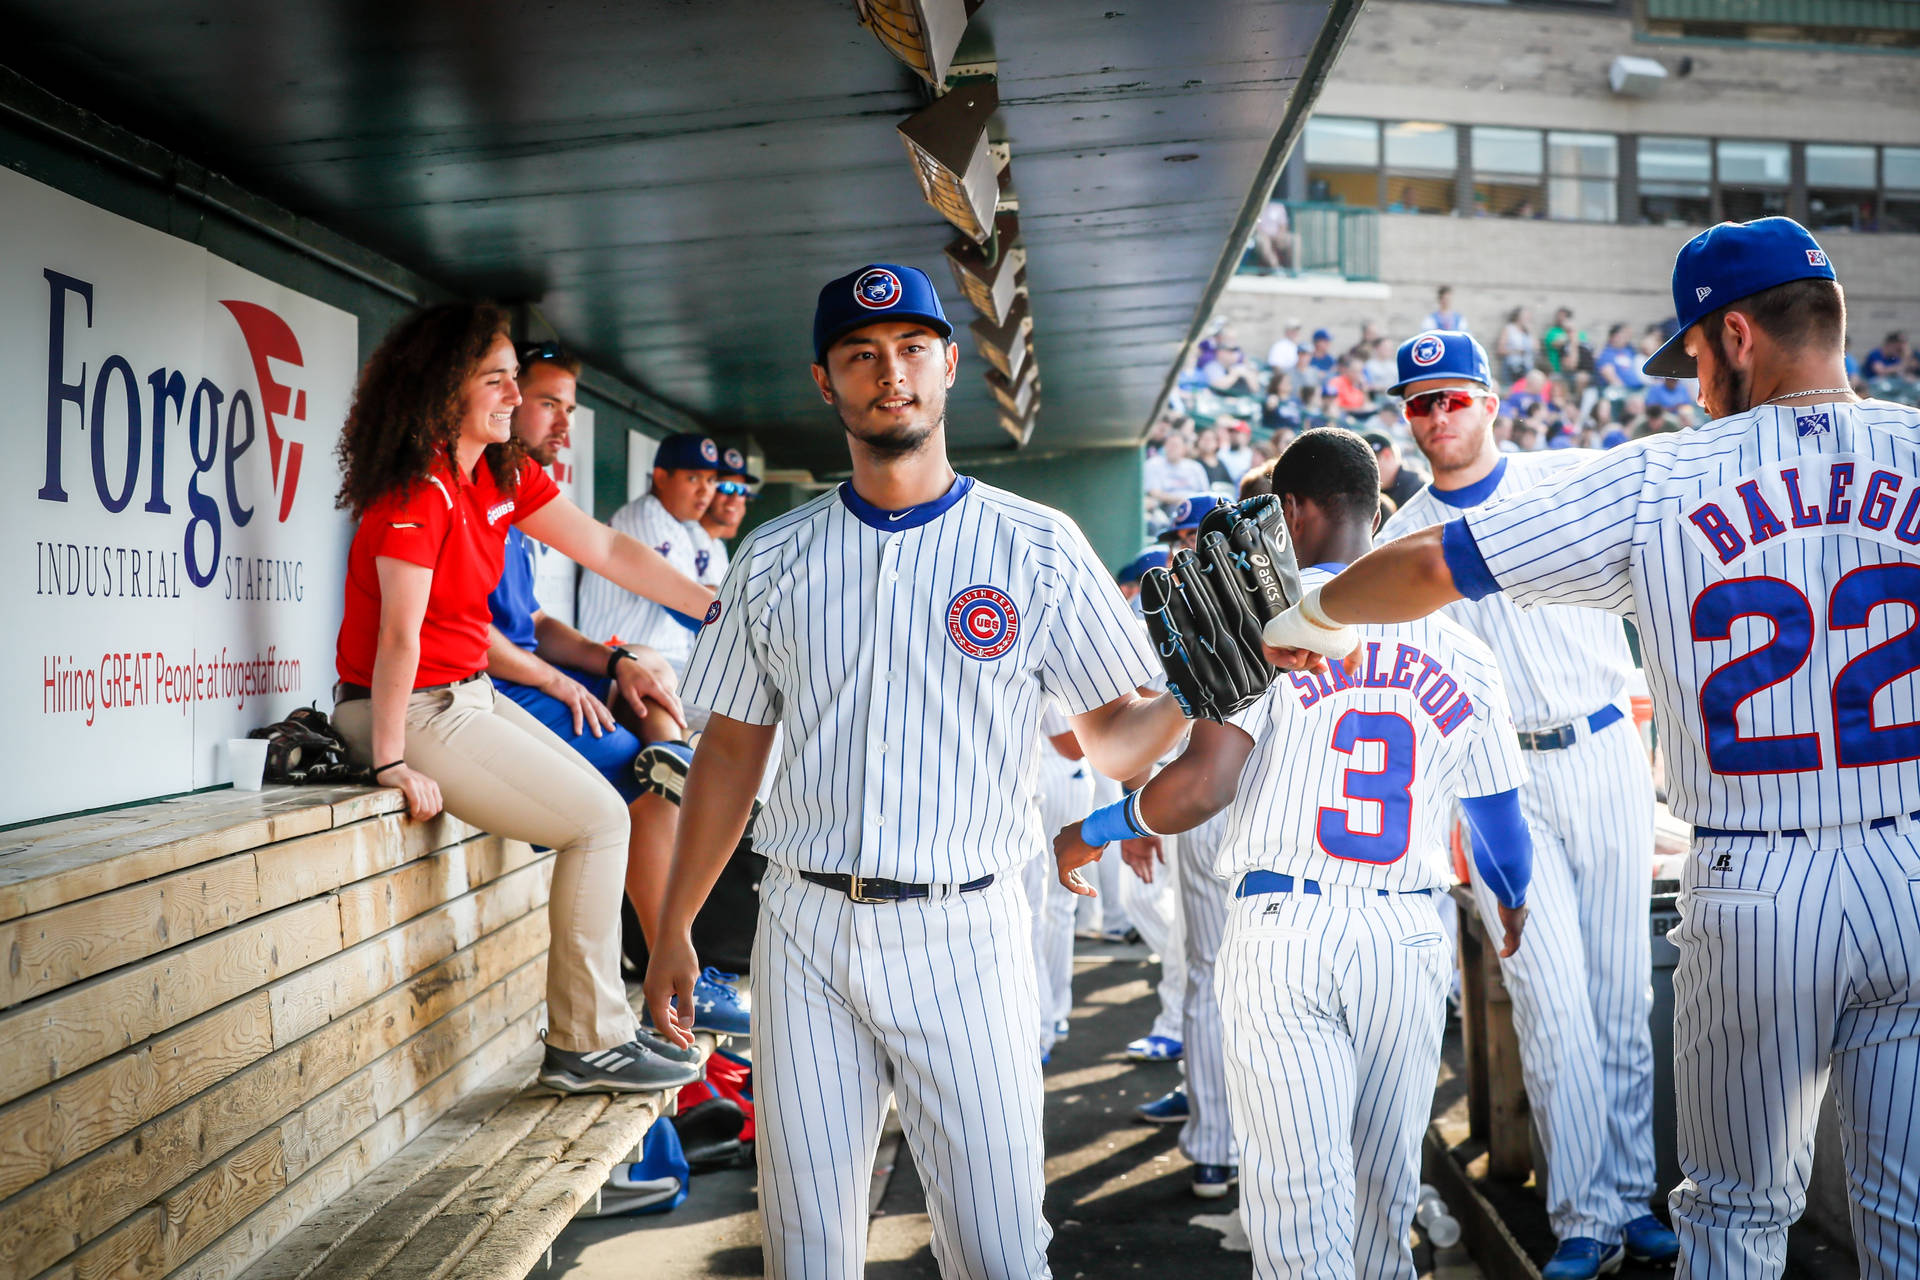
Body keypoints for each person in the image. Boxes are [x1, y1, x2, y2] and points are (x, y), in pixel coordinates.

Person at [1260, 217, 1920, 1280]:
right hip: (1909, 862)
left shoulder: (1662, 473)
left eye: (1696, 352)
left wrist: (1310, 612)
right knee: (1908, 1211)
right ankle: (1590, 1206)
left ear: (1737, 335)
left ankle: (1619, 1210)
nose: (1694, 377)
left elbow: (1432, 565)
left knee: (1740, 1209)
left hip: (1757, 867)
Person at [642, 263, 1190, 1279]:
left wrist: (1198, 688)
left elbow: (1114, 738)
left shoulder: (1039, 544)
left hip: (970, 927)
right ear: (825, 380)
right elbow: (728, 750)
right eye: (861, 354)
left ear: (947, 365)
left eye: (909, 349)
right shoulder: (774, 555)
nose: (887, 372)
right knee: (804, 1249)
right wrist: (675, 924)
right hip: (804, 926)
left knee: (995, 1246)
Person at [1055, 427, 1535, 1280]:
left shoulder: (1268, 625)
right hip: (1407, 931)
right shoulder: (1462, 646)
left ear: (1294, 511)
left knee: (1294, 1206)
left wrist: (1093, 829)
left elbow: (1200, 788)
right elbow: (1500, 827)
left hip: (1288, 927)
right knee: (1382, 1200)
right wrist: (1513, 903)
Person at [328, 302, 717, 1094]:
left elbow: (606, 548)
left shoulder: (497, 474)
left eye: (516, 380)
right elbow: (397, 641)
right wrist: (391, 760)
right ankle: (587, 1042)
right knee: (602, 822)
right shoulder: (417, 488)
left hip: (465, 696)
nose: (513, 396)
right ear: (444, 392)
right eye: (496, 380)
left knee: (611, 798)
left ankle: (597, 1031)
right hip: (407, 709)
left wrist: (718, 609)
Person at [1377, 331, 1676, 1279]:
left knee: (1621, 996)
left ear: (1491, 401)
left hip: (1602, 748)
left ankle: (1634, 1203)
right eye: (1420, 403)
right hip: (1499, 783)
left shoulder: (1568, 482)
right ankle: (1586, 1214)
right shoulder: (1399, 535)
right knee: (1550, 1002)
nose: (1437, 416)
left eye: (1453, 397)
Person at [479, 347, 752, 1039]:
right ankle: (665, 966)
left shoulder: (515, 483)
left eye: (567, 409)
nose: (561, 425)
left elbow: (544, 609)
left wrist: (614, 656)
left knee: (646, 684)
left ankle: (672, 957)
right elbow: (464, 633)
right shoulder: (455, 483)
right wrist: (560, 675)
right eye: (548, 404)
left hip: (518, 675)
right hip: (470, 694)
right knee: (637, 783)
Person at [576, 432, 722, 682]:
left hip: (660, 660)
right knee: (740, 711)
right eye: (693, 478)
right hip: (623, 660)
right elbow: (681, 605)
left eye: (711, 480)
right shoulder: (646, 518)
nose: (705, 490)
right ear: (661, 477)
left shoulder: (678, 524)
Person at [692, 446, 757, 587]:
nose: (734, 498)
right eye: (726, 487)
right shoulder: (685, 536)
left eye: (742, 490)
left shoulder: (718, 546)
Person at [1144, 430, 1210, 520]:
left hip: (1195, 508)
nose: (1172, 448)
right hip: (1166, 509)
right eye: (1169, 445)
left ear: (1184, 448)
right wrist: (1180, 500)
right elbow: (1155, 493)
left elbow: (1206, 493)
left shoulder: (1195, 467)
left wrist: (1188, 501)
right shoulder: (1154, 464)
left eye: (1175, 445)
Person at [1362, 430, 1427, 510]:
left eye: (1370, 463)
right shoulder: (1370, 490)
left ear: (1387, 454)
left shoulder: (1418, 486)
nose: (1365, 471)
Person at [1594, 324, 1646, 392]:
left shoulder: (1629, 351)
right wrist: (1625, 391)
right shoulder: (1606, 354)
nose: (1627, 338)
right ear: (1613, 336)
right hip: (1623, 391)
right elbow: (1609, 375)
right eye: (1623, 335)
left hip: (1640, 388)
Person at [1497, 306, 1536, 382]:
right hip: (1512, 367)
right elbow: (1500, 349)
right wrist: (1516, 351)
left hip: (1527, 367)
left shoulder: (1528, 331)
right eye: (1525, 316)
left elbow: (1536, 348)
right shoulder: (1509, 329)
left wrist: (1531, 332)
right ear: (1518, 317)